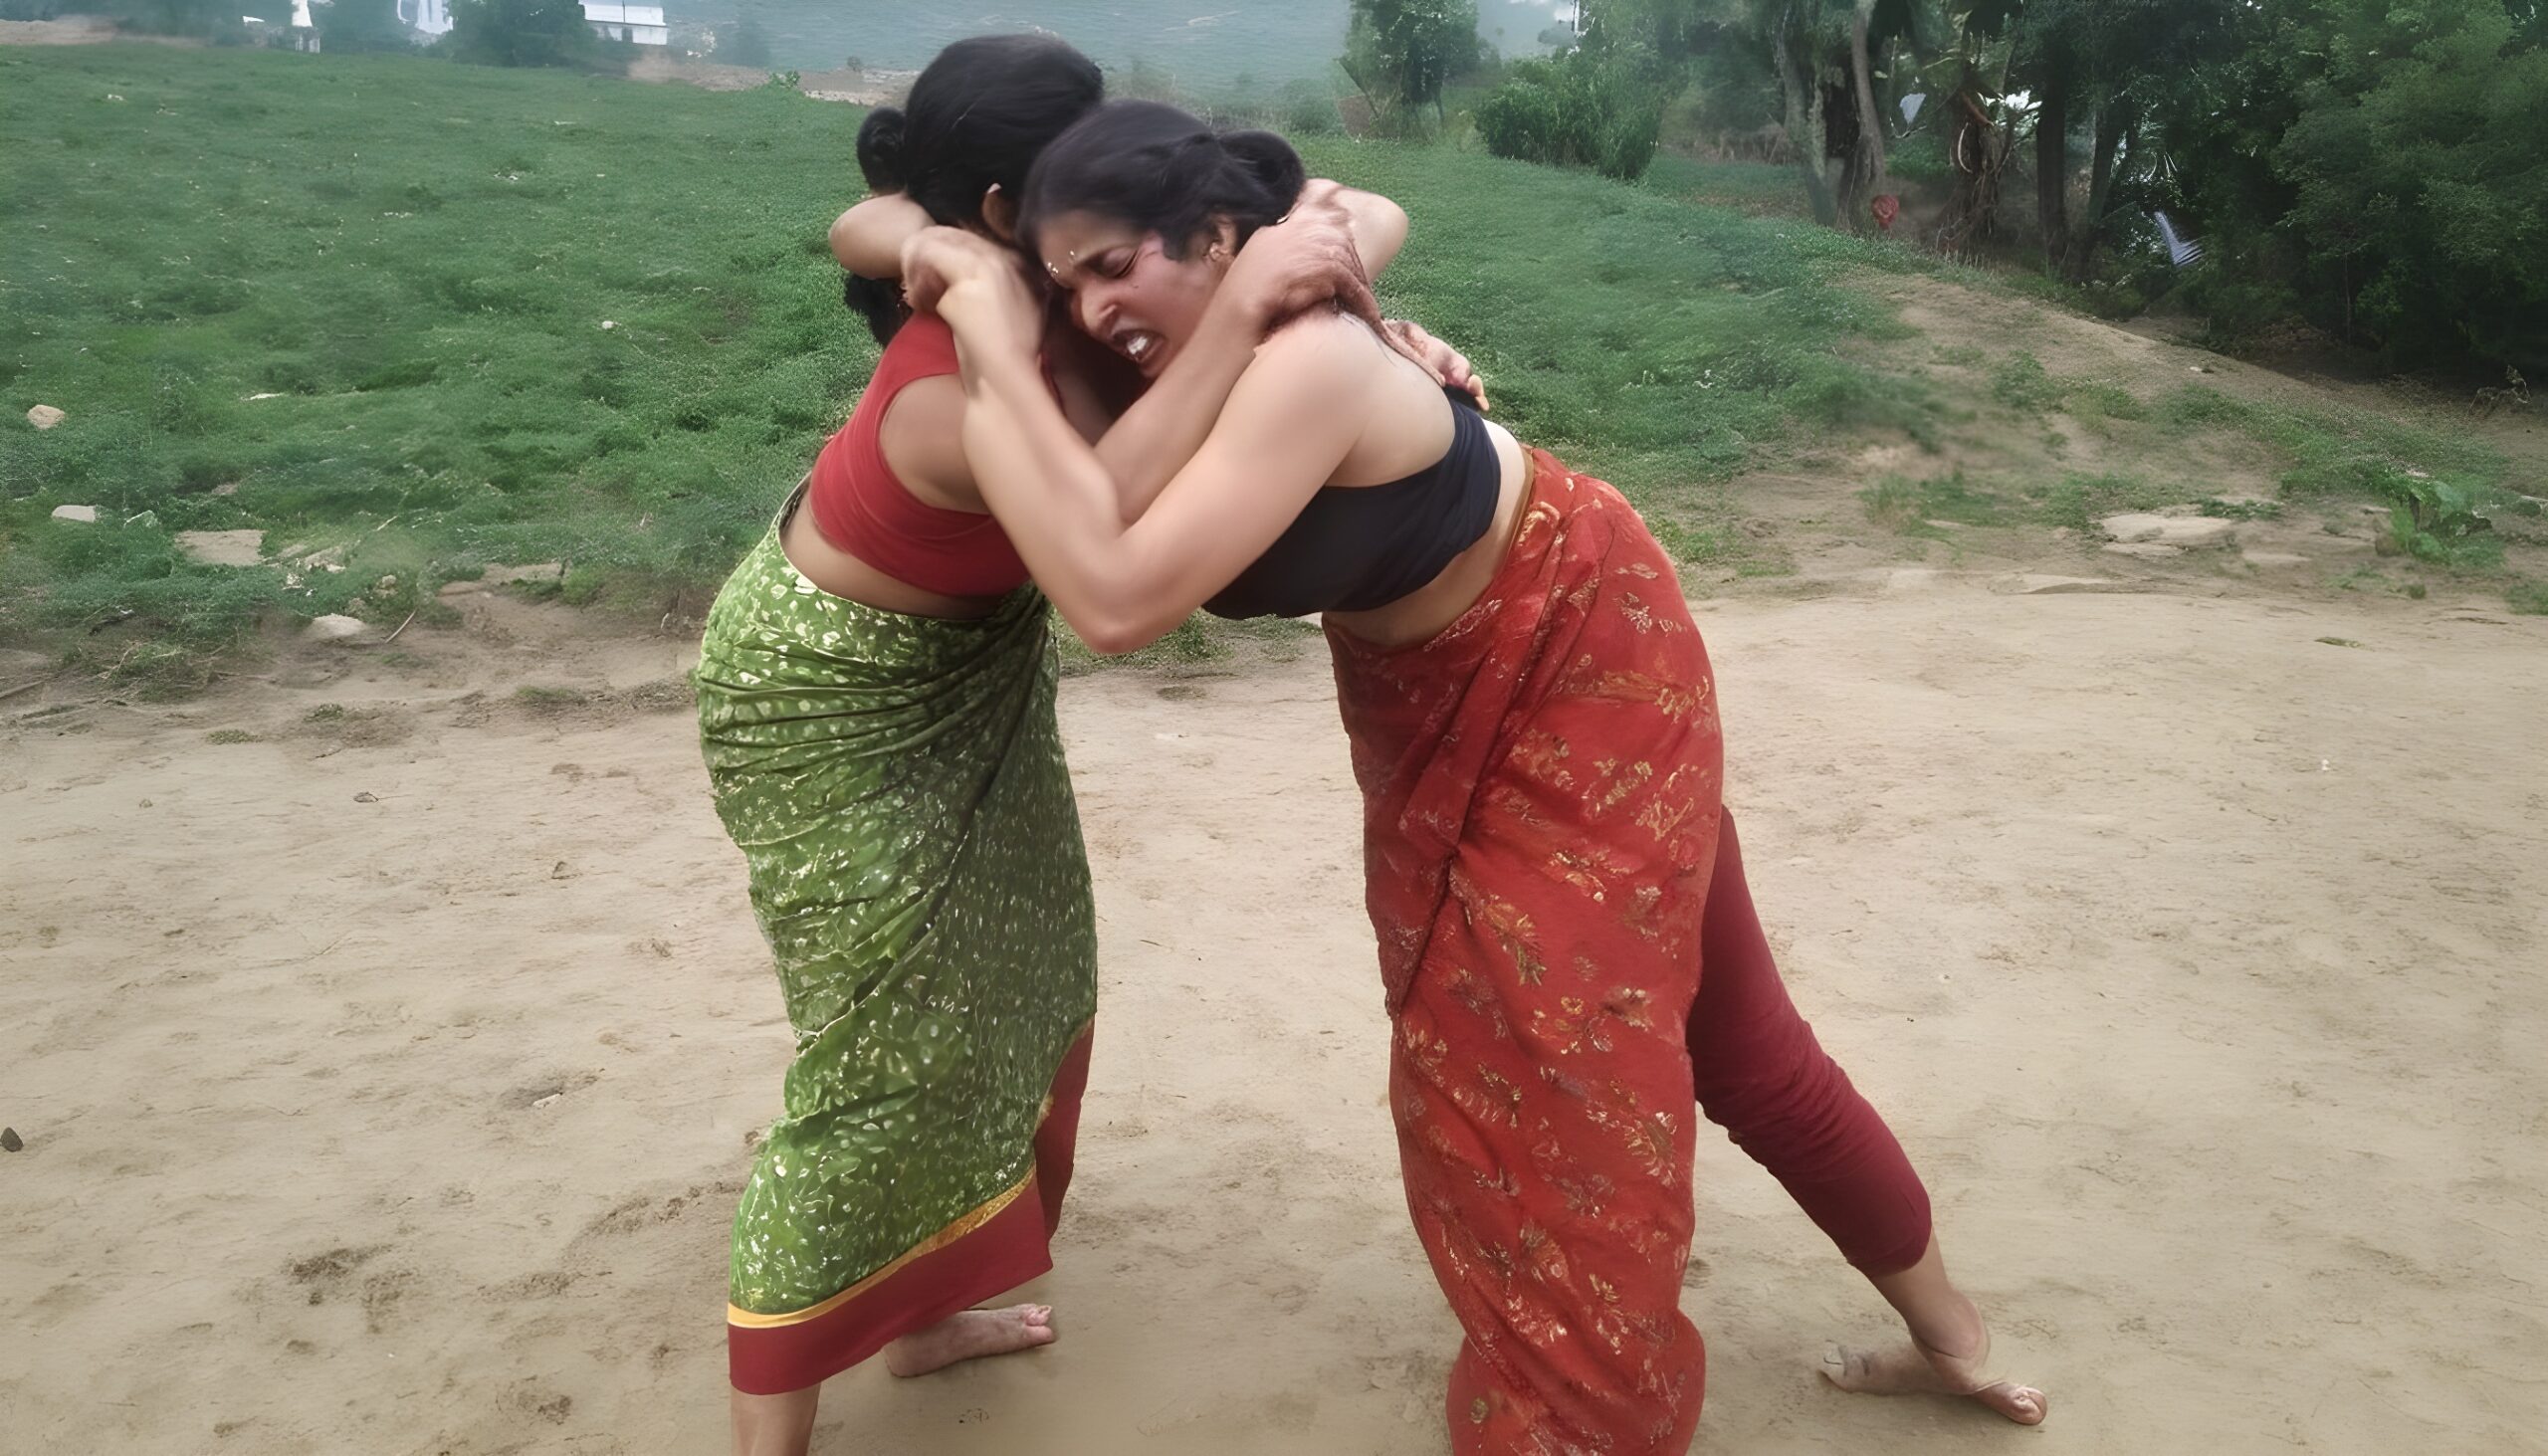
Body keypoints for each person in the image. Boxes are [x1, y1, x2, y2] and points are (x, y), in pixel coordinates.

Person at [897, 99, 2047, 1454]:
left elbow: (1111, 597)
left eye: (1110, 266)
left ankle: (1610, 1416)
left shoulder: (1310, 353)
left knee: (1559, 1076)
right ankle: (1950, 1341)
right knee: (1721, 1031)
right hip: (1441, 691)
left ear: (1211, 231)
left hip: (1580, 655)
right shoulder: (1195, 332)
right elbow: (896, 230)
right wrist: (1042, 288)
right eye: (1060, 276)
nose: (1088, 308)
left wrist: (999, 327)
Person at [693, 41, 1445, 1456]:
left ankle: (922, 1306)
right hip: (825, 702)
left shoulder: (1043, 271)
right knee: (882, 1060)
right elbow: (1101, 516)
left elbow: (1353, 210)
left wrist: (1359, 308)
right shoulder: (960, 384)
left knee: (1024, 978)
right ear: (994, 209)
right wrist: (1243, 324)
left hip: (966, 663)